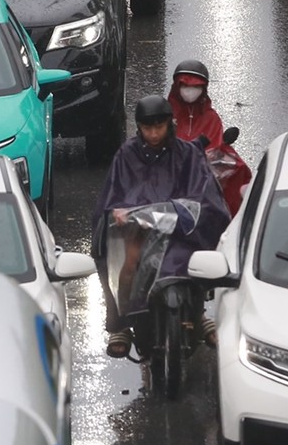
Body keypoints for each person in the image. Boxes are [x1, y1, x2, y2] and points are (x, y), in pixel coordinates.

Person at [92, 93, 232, 358]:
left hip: (181, 232)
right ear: (139, 127)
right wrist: (118, 214)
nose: (154, 134)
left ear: (170, 124)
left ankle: (198, 312)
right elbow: (113, 195)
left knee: (196, 265)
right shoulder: (126, 156)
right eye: (147, 128)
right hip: (139, 234)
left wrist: (182, 212)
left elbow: (204, 195)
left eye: (159, 127)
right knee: (123, 264)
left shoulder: (188, 154)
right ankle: (121, 323)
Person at [168, 60, 252, 215]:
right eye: (185, 86)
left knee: (239, 168)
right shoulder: (165, 116)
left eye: (195, 87)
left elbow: (215, 147)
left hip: (204, 176)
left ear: (203, 89)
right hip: (168, 173)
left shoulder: (211, 118)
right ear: (177, 87)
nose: (190, 91)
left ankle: (234, 219)